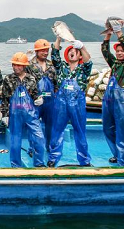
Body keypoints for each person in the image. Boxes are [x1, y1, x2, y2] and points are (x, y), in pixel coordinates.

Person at [48, 37, 93, 167]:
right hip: (61, 104)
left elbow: (89, 61)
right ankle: (53, 157)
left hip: (78, 104)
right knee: (57, 130)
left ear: (80, 56)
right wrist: (58, 37)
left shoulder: (83, 69)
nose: (72, 53)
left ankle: (84, 160)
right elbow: (55, 55)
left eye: (75, 51)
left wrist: (82, 47)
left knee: (80, 131)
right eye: (70, 51)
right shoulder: (61, 67)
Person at [101, 20, 124, 166]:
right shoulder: (115, 64)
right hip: (109, 101)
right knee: (108, 129)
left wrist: (119, 33)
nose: (119, 53)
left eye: (122, 50)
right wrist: (108, 35)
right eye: (117, 51)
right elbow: (105, 52)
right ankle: (117, 155)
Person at [1, 52, 45, 167]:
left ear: (24, 66)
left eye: (19, 65)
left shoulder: (31, 79)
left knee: (39, 137)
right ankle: (16, 165)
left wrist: (39, 99)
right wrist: (5, 115)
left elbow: (35, 94)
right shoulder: (8, 79)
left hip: (30, 113)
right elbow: (5, 99)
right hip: (15, 114)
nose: (16, 67)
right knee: (15, 142)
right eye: (14, 65)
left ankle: (39, 164)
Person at [27, 39, 57, 151]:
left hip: (50, 101)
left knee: (50, 125)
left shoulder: (51, 65)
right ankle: (33, 148)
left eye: (46, 50)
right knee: (33, 124)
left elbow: (55, 83)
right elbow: (25, 81)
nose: (45, 53)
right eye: (42, 51)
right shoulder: (30, 65)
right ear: (36, 51)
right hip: (35, 100)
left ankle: (49, 146)